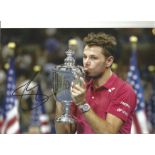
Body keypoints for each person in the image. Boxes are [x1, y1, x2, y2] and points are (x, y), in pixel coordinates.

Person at [55, 32, 137, 134]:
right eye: (85, 57)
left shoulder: (124, 90)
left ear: (109, 61)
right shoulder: (81, 88)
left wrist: (82, 103)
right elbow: (64, 133)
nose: (86, 62)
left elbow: (109, 132)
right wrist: (60, 99)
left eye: (93, 58)